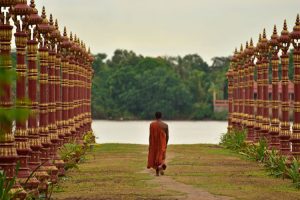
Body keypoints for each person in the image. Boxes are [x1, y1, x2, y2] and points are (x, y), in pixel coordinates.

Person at [147, 111, 169, 176]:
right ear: (161, 116)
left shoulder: (152, 125)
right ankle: (161, 167)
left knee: (155, 157)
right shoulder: (165, 125)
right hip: (162, 143)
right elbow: (167, 136)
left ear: (155, 116)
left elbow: (150, 135)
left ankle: (157, 172)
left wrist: (150, 143)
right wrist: (166, 144)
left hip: (154, 144)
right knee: (161, 157)